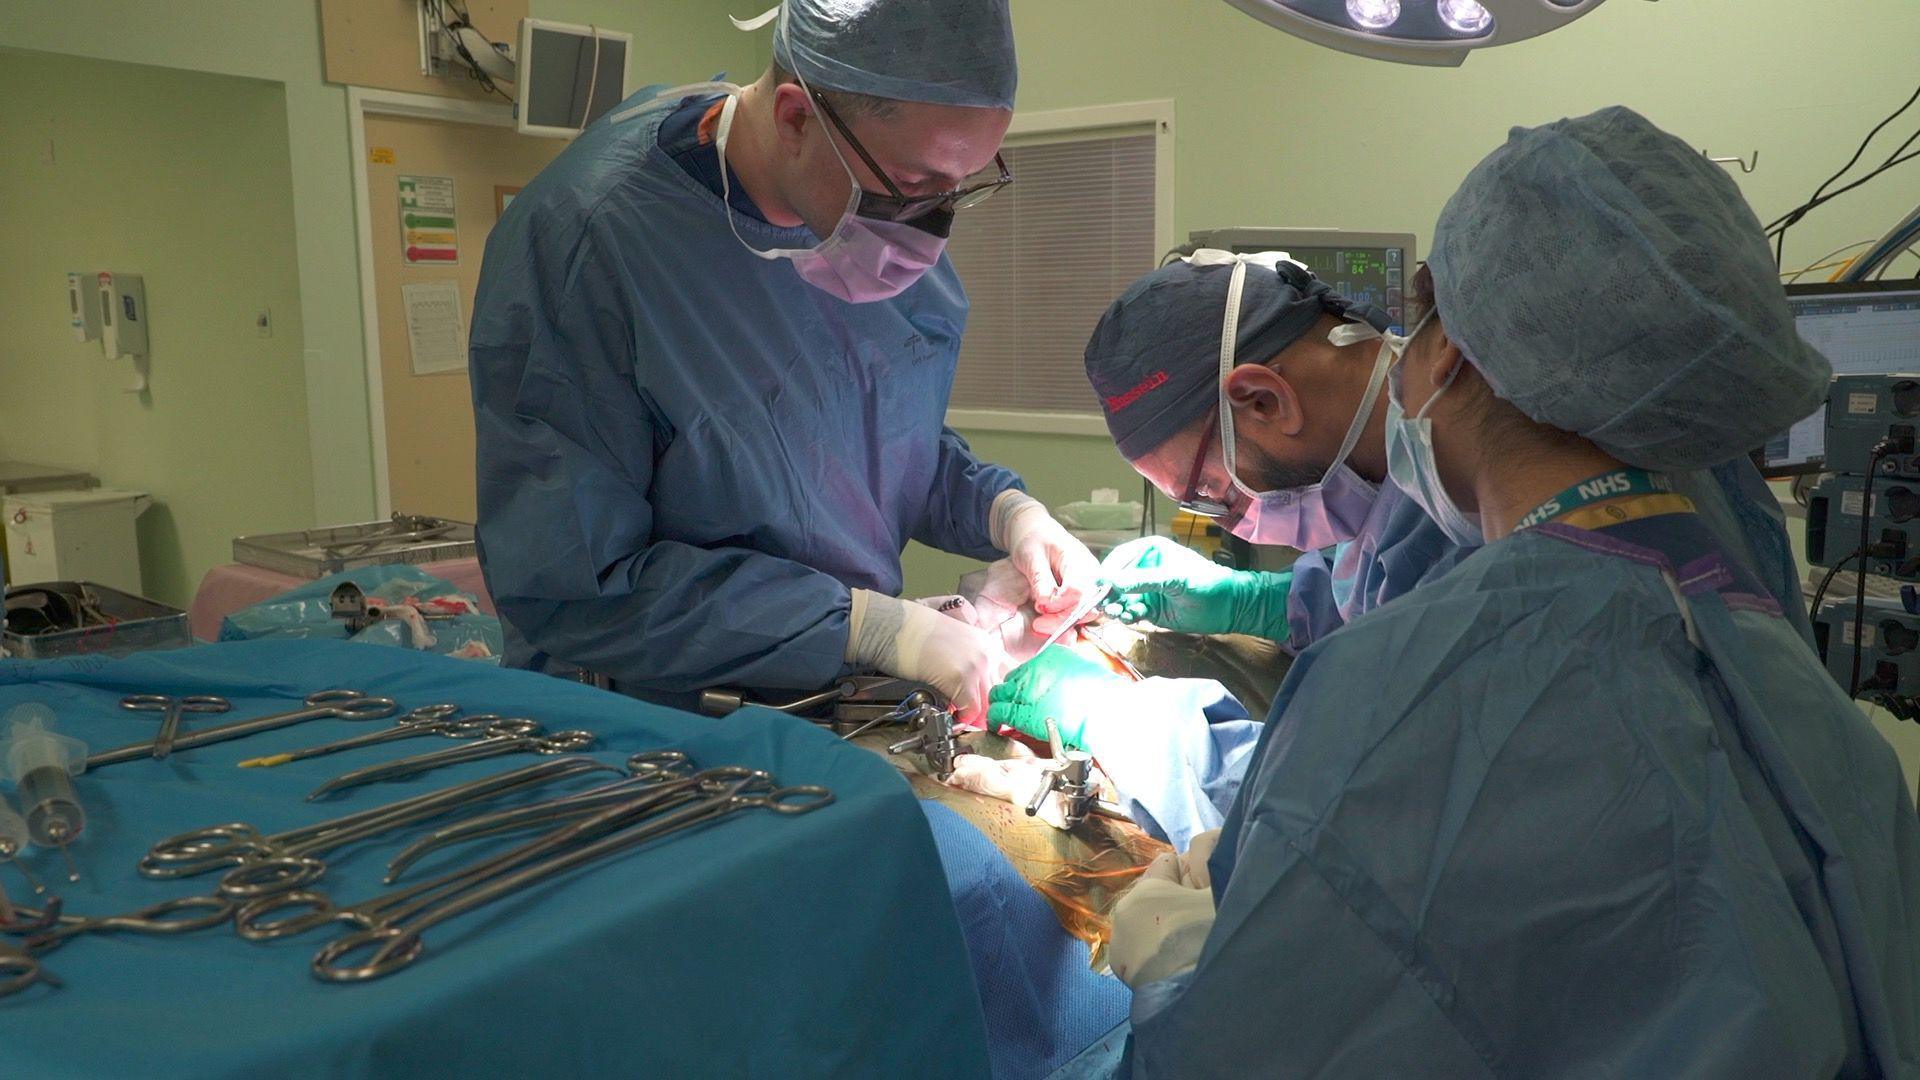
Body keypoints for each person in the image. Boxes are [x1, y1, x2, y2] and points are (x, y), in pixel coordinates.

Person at [1099, 106, 1920, 1077]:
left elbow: (1257, 1039)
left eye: (1418, 331)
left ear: (1450, 348)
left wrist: (1179, 970)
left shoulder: (1409, 687)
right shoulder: (1832, 736)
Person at [468, 0, 1098, 720]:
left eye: (963, 185)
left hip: (822, 701)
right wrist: (867, 626)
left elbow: (879, 436)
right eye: (917, 186)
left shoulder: (878, 239)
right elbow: (577, 578)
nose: (932, 224)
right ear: (798, 118)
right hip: (643, 729)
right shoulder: (588, 244)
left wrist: (1006, 513)